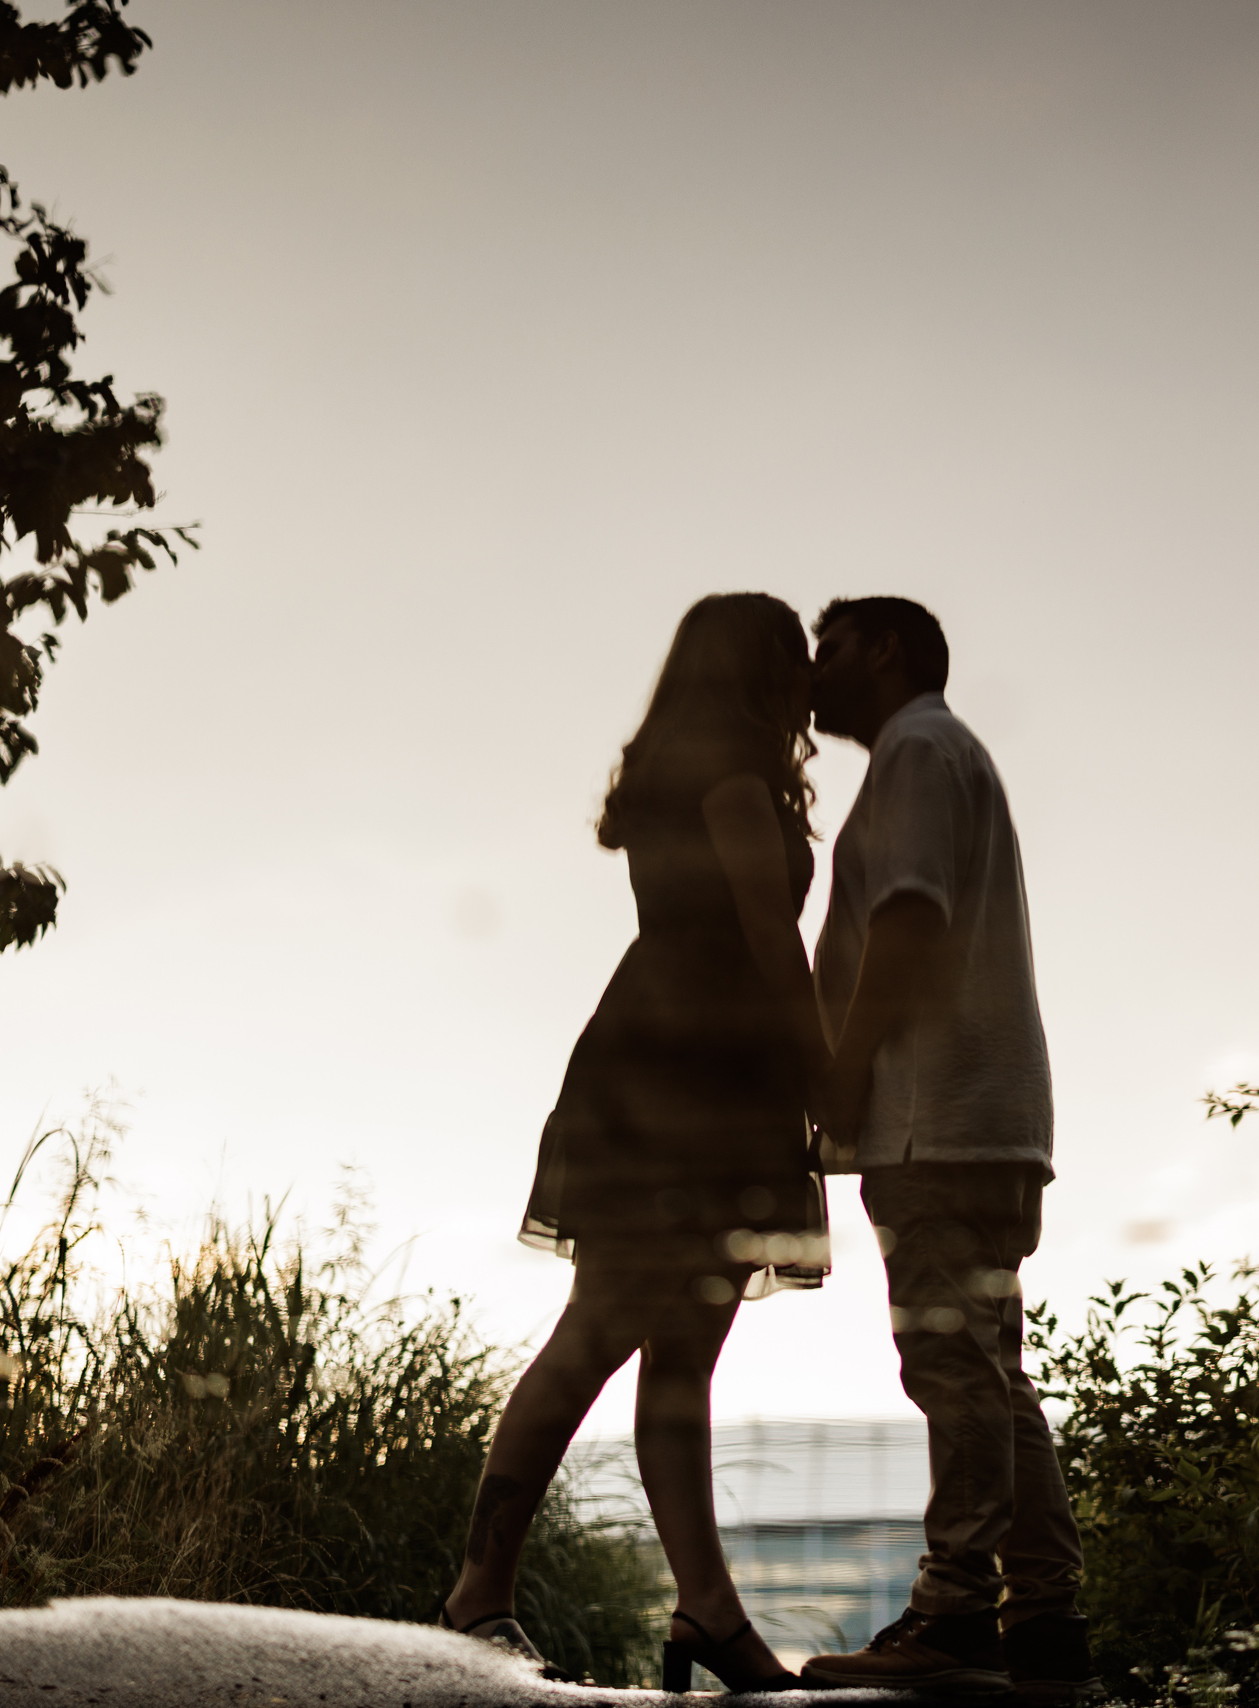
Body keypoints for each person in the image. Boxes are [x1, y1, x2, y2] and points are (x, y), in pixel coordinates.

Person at [438, 593, 829, 1694]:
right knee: (607, 1329)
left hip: (677, 1065)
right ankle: (476, 1594)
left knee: (676, 1358)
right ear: (758, 667)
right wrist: (825, 1075)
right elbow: (767, 933)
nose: (806, 677)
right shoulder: (732, 775)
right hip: (688, 1083)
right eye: (791, 658)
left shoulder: (679, 766)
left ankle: (706, 1610)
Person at [795, 598, 1096, 1701]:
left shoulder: (919, 750)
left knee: (951, 1368)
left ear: (881, 650)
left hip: (938, 1117)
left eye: (828, 648)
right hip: (990, 1117)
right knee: (991, 1372)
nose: (813, 673)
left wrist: (842, 1070)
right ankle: (1047, 1615)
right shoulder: (946, 753)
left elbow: (910, 921)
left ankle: (958, 1612)